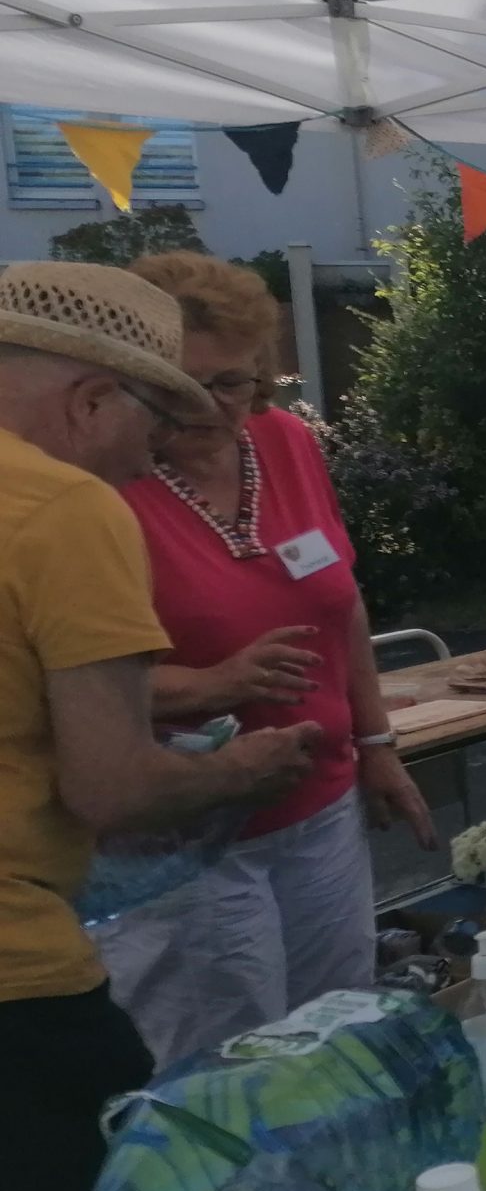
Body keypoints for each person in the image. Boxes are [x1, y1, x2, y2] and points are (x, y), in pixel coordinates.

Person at [0, 262, 318, 1191]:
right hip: (18, 967)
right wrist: (240, 769)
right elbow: (114, 785)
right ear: (93, 397)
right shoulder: (63, 509)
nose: (151, 462)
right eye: (154, 420)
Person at [91, 254, 439, 1067]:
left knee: (334, 1033)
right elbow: (66, 683)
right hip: (191, 831)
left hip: (318, 803)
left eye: (232, 384)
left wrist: (377, 747)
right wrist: (212, 685)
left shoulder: (285, 444)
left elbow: (341, 602)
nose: (205, 408)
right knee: (229, 1055)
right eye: (180, 385)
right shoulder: (105, 485)